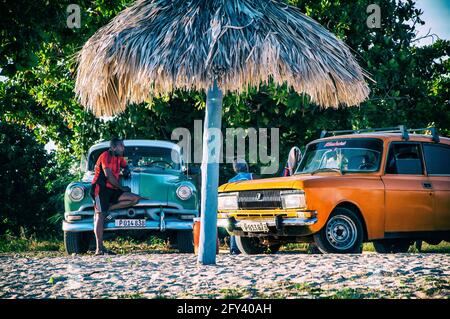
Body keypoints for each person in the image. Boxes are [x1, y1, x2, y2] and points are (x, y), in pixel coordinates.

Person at [90, 138, 145, 255]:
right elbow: (109, 176)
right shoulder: (105, 156)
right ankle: (99, 249)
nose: (123, 148)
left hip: (112, 190)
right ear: (113, 147)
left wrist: (126, 169)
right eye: (121, 146)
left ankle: (107, 208)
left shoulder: (119, 157)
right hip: (100, 189)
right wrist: (122, 188)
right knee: (100, 216)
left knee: (135, 198)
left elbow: (126, 166)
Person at [227, 158, 254, 255]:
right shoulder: (251, 177)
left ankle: (234, 249)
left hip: (236, 207)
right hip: (251, 205)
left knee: (234, 227)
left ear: (235, 169)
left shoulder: (231, 181)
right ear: (246, 166)